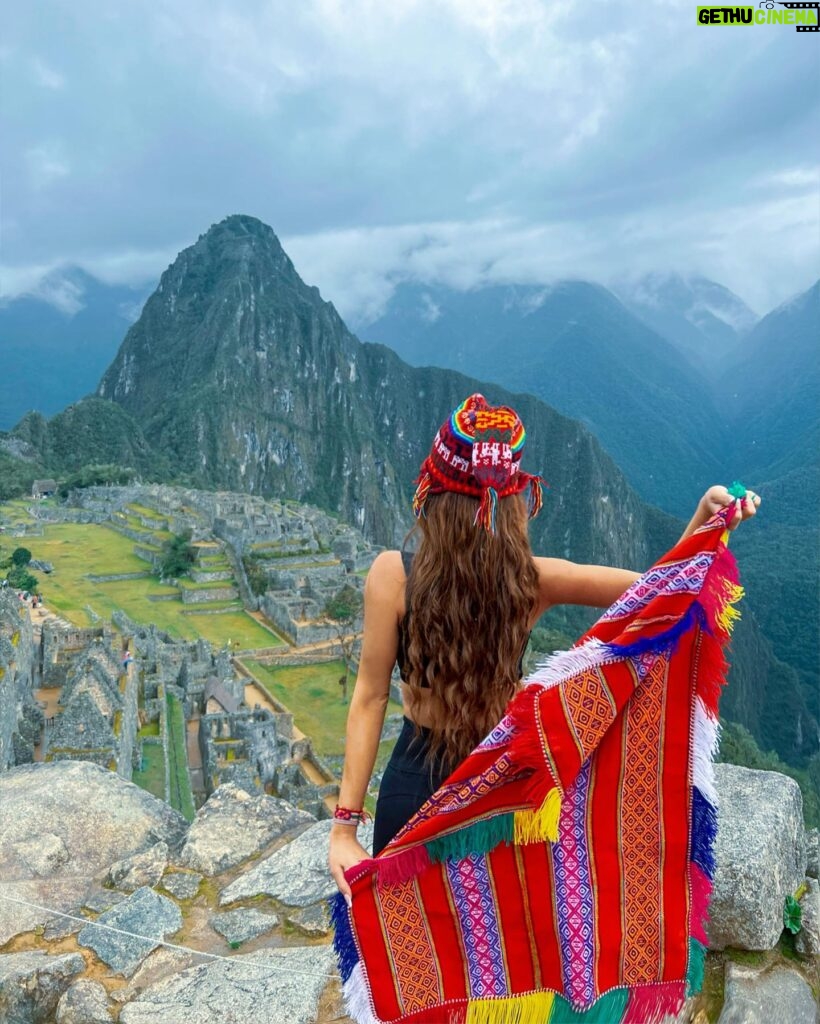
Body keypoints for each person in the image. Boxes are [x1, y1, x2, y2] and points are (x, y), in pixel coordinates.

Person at [328, 393, 759, 902]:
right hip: (501, 787)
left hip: (414, 783)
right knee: (500, 946)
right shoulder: (530, 581)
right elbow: (657, 595)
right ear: (513, 501)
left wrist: (345, 829)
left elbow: (371, 697)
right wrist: (706, 522)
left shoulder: (391, 577)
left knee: (409, 944)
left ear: (433, 494)